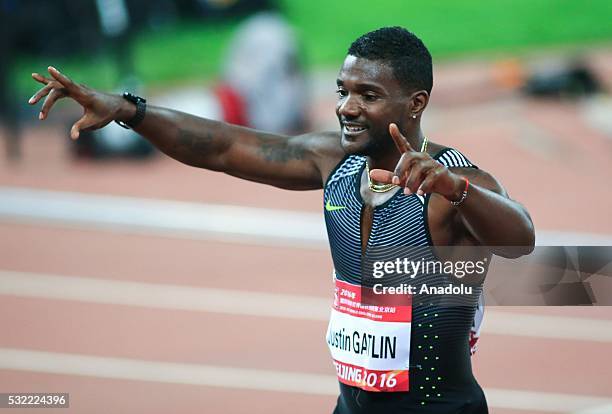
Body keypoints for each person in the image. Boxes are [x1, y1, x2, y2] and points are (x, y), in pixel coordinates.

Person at [28, 27, 535, 413]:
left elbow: (521, 238)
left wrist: (457, 188)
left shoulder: (447, 183)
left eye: (368, 95)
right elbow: (225, 147)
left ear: (416, 102)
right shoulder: (333, 161)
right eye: (343, 90)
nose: (347, 107)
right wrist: (128, 110)